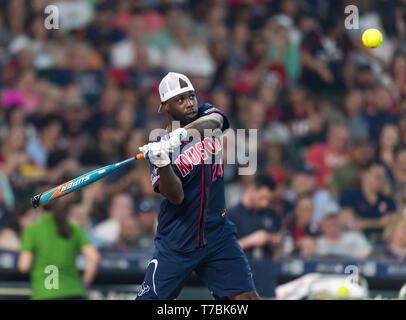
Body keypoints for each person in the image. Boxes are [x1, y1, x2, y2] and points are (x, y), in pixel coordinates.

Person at [136, 72, 258, 300]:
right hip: (178, 241)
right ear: (165, 106)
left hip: (217, 235)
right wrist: (162, 162)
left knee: (247, 298)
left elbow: (218, 122)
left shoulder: (206, 113)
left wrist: (181, 134)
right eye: (180, 100)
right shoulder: (160, 146)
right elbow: (176, 197)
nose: (190, 103)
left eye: (191, 96)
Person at [18, 205, 100, 300]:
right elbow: (94, 258)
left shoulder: (33, 229)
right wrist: (84, 284)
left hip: (44, 293)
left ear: (40, 208)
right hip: (73, 292)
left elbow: (24, 266)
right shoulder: (74, 227)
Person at [227, 175, 282, 298]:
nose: (265, 203)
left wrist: (276, 243)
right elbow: (223, 251)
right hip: (241, 287)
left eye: (269, 199)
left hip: (267, 284)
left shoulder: (272, 215)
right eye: (262, 197)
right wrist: (250, 241)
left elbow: (275, 255)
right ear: (251, 189)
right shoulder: (231, 215)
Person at [339, 161, 397, 243]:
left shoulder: (388, 201)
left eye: (383, 177)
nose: (381, 180)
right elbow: (348, 223)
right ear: (364, 175)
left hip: (382, 243)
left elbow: (392, 225)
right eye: (377, 176)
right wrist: (379, 223)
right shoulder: (350, 196)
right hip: (356, 243)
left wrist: (363, 223)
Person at [300, 202, 372, 259]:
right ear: (322, 222)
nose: (332, 222)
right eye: (329, 218)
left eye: (335, 218)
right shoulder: (315, 243)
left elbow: (369, 252)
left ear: (340, 220)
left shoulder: (354, 238)